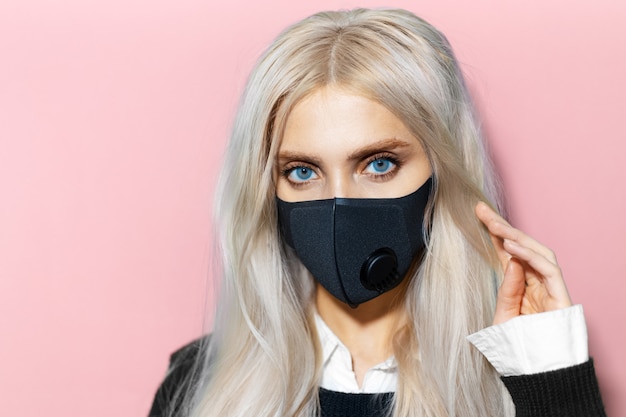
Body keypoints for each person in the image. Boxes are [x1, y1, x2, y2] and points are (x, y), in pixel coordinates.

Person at [150, 8, 606, 417]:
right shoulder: (196, 386)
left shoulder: (522, 377)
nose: (338, 203)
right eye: (302, 172)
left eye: (379, 164)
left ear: (443, 170)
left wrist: (548, 370)